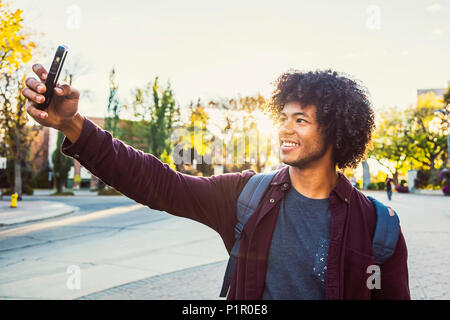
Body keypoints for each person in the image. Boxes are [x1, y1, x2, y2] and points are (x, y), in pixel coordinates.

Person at [22, 66, 410, 300]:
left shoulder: (379, 227)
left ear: (337, 132)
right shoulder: (247, 196)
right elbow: (159, 183)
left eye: (301, 120)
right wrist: (74, 125)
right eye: (285, 117)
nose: (285, 129)